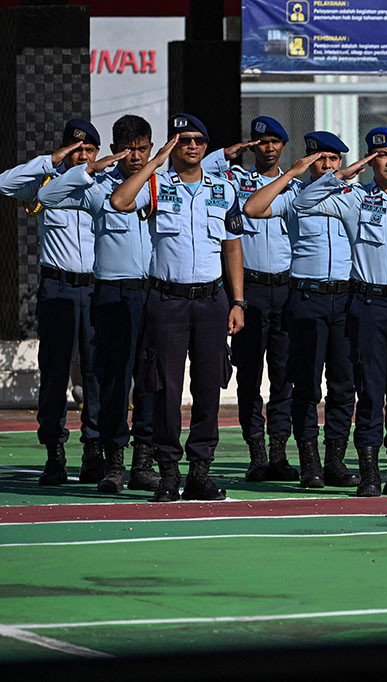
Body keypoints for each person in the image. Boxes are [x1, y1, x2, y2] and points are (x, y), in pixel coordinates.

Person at [288, 127, 387, 497]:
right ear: (370, 160)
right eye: (380, 155)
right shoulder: (353, 198)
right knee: (370, 391)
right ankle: (370, 471)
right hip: (368, 305)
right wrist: (341, 175)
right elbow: (302, 203)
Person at [109, 114, 246, 502]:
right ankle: (168, 472)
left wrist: (238, 301)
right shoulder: (155, 184)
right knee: (164, 389)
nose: (192, 146)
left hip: (210, 301)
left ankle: (200, 472)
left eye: (198, 140)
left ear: (206, 145)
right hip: (166, 300)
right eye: (183, 140)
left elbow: (232, 246)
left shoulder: (223, 188)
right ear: (173, 145)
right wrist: (154, 162)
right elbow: (120, 201)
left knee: (208, 388)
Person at [35, 114, 160, 492]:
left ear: (152, 148)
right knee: (112, 380)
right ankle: (114, 462)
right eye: (129, 149)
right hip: (111, 294)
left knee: (149, 381)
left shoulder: (163, 184)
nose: (136, 157)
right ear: (117, 150)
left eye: (143, 149)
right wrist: (89, 170)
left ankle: (143, 461)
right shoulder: (98, 186)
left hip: (151, 292)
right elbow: (46, 196)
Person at [242, 131, 369, 489]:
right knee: (306, 385)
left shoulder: (356, 198)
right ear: (308, 161)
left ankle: (335, 462)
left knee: (344, 386)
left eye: (332, 160)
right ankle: (309, 463)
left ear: (342, 162)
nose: (326, 167)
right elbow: (252, 209)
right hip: (307, 299)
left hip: (346, 299)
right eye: (318, 160)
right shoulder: (294, 196)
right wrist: (290, 175)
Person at [0, 119, 103, 486]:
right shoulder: (45, 183)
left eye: (88, 150)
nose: (82, 156)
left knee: (95, 375)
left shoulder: (103, 185)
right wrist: (51, 160)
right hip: (57, 289)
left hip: (94, 289)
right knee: (55, 373)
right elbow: (4, 183)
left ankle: (95, 449)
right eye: (75, 150)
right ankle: (54, 453)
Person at [204, 116, 301, 484]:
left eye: (276, 142)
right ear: (252, 147)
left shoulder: (294, 187)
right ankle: (256, 453)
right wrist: (226, 154)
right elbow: (204, 170)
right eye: (262, 142)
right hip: (251, 291)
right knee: (249, 376)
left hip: (287, 289)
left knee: (283, 376)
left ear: (284, 147)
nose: (269, 148)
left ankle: (279, 452)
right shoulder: (234, 181)